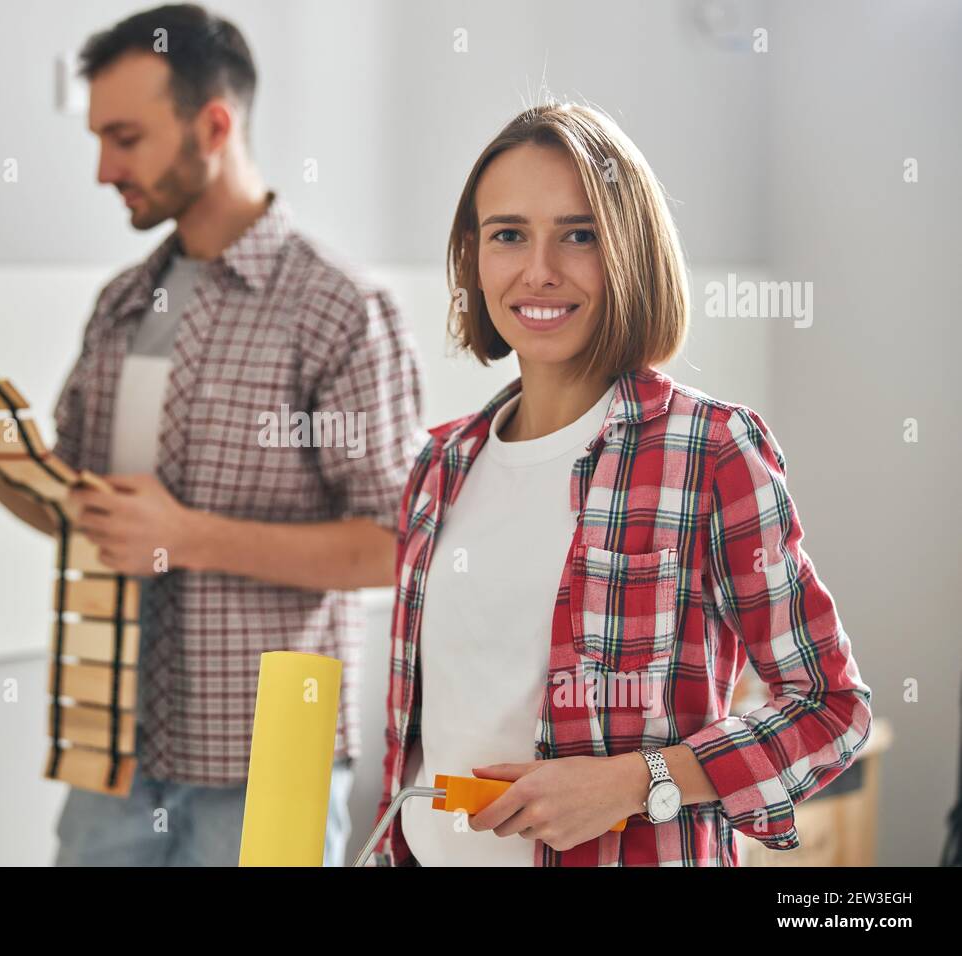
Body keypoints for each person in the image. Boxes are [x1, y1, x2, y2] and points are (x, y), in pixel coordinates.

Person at [0, 4, 424, 866]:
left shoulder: (339, 311)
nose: (104, 168)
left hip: (273, 749)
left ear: (213, 125)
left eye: (126, 136)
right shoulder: (122, 303)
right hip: (113, 737)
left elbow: (393, 545)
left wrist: (189, 539)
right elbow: (82, 514)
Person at [370, 101, 873, 866]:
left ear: (630, 249)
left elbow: (833, 709)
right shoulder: (439, 468)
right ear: (474, 256)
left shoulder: (709, 451)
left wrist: (636, 782)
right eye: (509, 234)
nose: (539, 269)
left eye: (580, 235)